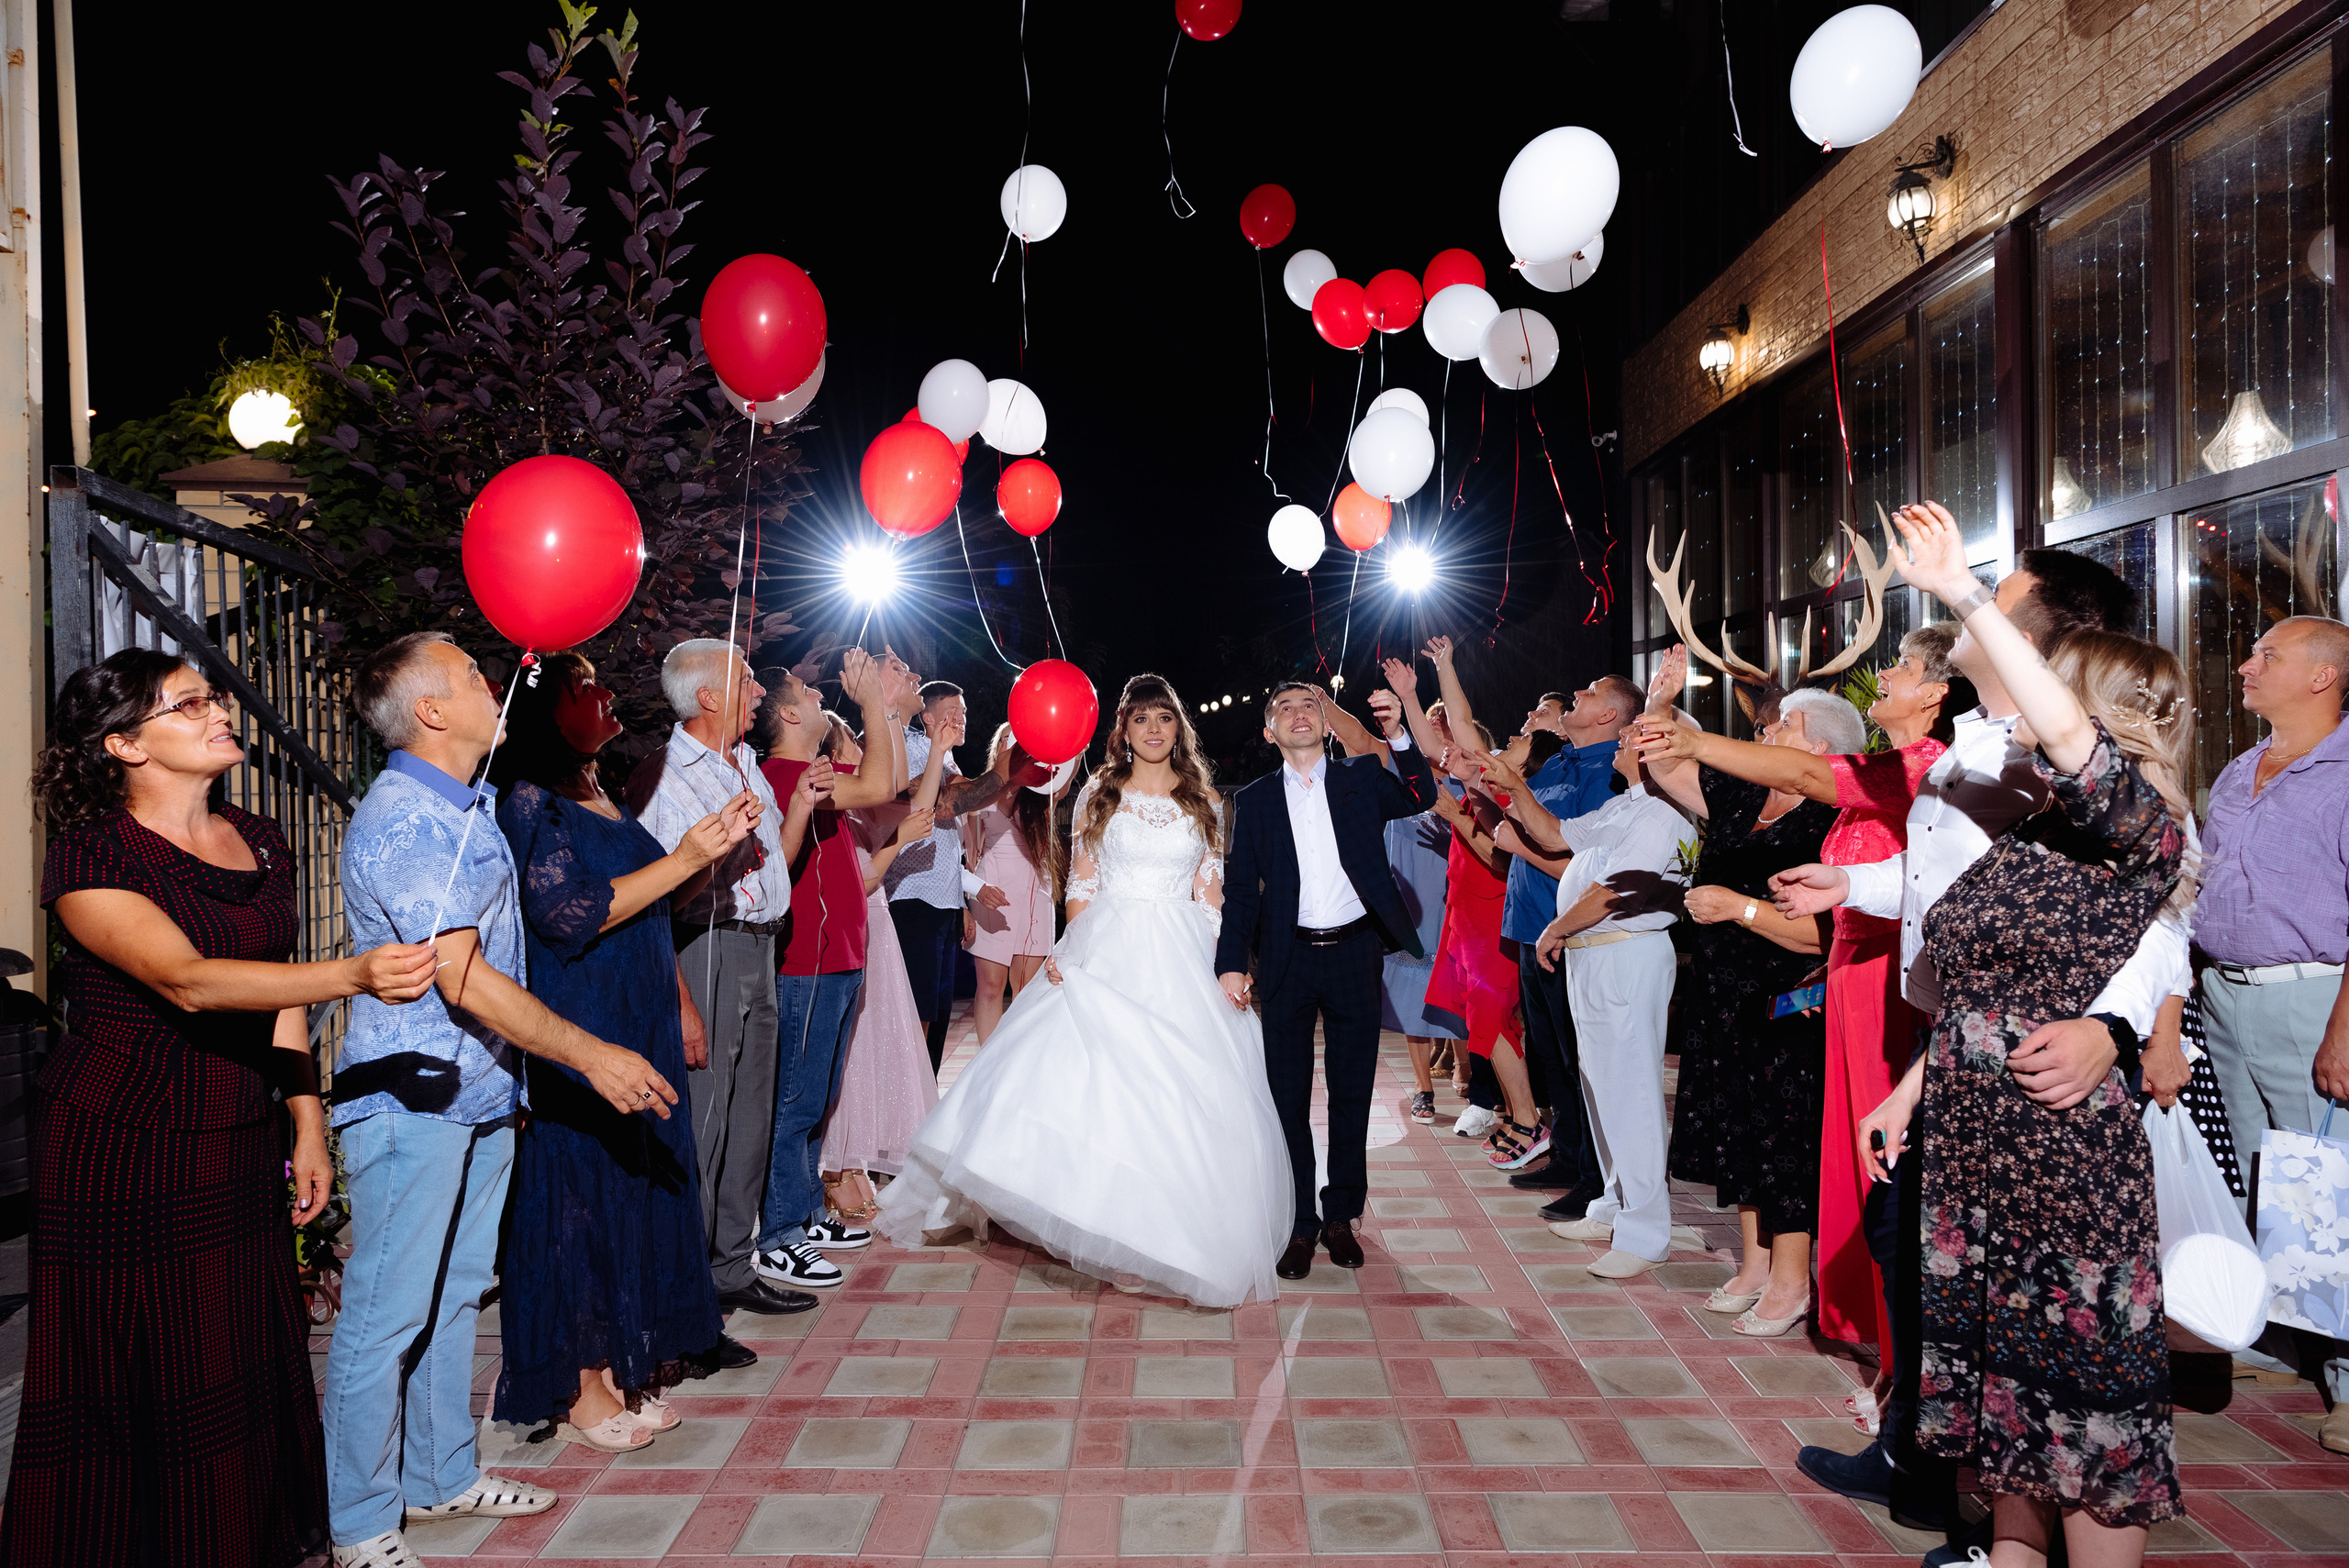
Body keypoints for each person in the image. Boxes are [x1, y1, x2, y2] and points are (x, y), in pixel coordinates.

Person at [1765, 535, 2186, 1543]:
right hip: (1969, 1131)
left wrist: (1959, 588)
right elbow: (1966, 968)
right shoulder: (2023, 828)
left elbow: (2153, 916)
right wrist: (1911, 1089)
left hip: (2059, 1144)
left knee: (2081, 1404)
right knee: (2002, 1389)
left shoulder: (2135, 821)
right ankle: (1992, 1545)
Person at [5, 651, 438, 1568]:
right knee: (132, 1377)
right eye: (187, 702)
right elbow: (193, 982)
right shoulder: (92, 853)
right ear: (123, 744)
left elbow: (275, 987)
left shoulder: (260, 834)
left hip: (234, 1136)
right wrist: (356, 973)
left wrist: (306, 1117)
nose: (217, 710)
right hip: (121, 1144)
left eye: (212, 694)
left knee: (231, 1366)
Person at [329, 632, 682, 1567]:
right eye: (473, 678)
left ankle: (441, 1476)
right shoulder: (407, 820)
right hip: (413, 1096)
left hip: (478, 1093)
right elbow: (464, 978)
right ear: (432, 712)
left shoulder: (465, 802)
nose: (498, 687)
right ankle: (362, 1520)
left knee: (450, 1298)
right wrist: (589, 1054)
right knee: (384, 1313)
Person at [879, 674, 1293, 1306]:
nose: (1154, 729)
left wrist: (1220, 967)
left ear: (1178, 729)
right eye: (1142, 719)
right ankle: (1093, 1215)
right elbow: (1082, 886)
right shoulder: (1101, 791)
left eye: (1165, 718)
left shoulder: (1203, 796)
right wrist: (1072, 946)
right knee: (1095, 1084)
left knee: (1174, 1094)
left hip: (1182, 951)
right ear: (1123, 730)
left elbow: (1211, 894)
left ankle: (1162, 1227)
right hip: (1108, 941)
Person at [1635, 628, 1962, 1407]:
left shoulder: (1929, 768)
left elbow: (1808, 773)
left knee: (1886, 1172)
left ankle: (1897, 1372)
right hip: (1847, 977)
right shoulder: (1893, 769)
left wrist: (1693, 731)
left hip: (1888, 985)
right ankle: (1885, 1357)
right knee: (1857, 1168)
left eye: (1903, 667)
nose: (1883, 674)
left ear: (1938, 694)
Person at [484, 651, 758, 1452]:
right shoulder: (529, 800)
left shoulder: (596, 790)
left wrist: (705, 854)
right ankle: (574, 1383)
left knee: (628, 1190)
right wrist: (681, 858)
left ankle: (612, 1361)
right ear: (546, 712)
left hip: (637, 1009)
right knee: (576, 1194)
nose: (608, 692)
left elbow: (645, 905)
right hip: (584, 1015)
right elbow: (569, 913)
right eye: (586, 684)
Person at [1640, 672, 1852, 1335]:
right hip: (1723, 996)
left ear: (1816, 745)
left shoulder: (1833, 820)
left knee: (1783, 1139)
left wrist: (1740, 906)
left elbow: (1826, 931)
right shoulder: (1740, 797)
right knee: (1738, 1129)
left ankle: (1793, 1282)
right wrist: (1659, 703)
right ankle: (1757, 1263)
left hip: (1789, 1004)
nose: (1766, 735)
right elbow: (1662, 758)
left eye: (1781, 726)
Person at [1216, 679, 1441, 1278]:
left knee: (1350, 1092)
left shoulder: (1360, 778)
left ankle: (1340, 1216)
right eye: (1283, 707)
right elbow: (1240, 891)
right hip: (1286, 959)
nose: (1297, 714)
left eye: (1308, 705)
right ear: (1269, 731)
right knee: (1286, 1096)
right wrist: (1230, 961)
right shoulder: (1257, 800)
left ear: (1326, 720)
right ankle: (1299, 1224)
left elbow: (1422, 792)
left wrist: (1396, 732)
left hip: (1354, 953)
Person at [2189, 612, 2349, 1451]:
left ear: (2322, 676)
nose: (2245, 665)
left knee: (2332, 1189)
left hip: (2313, 999)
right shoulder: (2242, 767)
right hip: (2227, 995)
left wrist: (2344, 1031)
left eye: (2266, 654)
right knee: (2260, 1176)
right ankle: (2281, 1339)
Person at [623, 639, 811, 1318]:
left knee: (750, 1114)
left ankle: (732, 1266)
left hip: (760, 946)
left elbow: (770, 864)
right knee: (704, 1119)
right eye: (746, 680)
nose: (759, 692)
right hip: (704, 946)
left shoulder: (748, 765)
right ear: (707, 697)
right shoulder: (665, 775)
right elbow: (645, 899)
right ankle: (684, 1287)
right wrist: (681, 1003)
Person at [749, 650, 914, 1290]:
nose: (823, 697)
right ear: (789, 713)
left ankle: (806, 1212)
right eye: (810, 693)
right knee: (797, 1097)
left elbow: (889, 779)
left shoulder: (810, 765)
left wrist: (888, 710)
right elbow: (875, 790)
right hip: (809, 961)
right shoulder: (784, 770)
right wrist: (873, 700)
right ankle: (782, 1231)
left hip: (841, 955)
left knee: (817, 1095)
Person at [1520, 720, 1694, 1279]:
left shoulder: (1664, 810)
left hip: (1626, 952)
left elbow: (1618, 889)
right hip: (1597, 956)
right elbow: (1553, 835)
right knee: (1601, 1089)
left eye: (1632, 736)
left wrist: (1555, 929)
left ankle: (1646, 1232)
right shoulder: (1629, 802)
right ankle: (1613, 1206)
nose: (1620, 739)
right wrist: (1506, 783)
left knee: (1632, 1093)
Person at [1383, 651, 1543, 1166]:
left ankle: (1527, 1117)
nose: (1514, 736)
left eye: (1522, 738)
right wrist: (1420, 686)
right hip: (1465, 907)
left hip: (1493, 903)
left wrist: (1452, 810)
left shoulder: (1512, 789)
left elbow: (1497, 854)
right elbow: (1443, 739)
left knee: (1491, 1017)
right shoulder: (1485, 776)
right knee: (1478, 1018)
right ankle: (1520, 1114)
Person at [815, 708, 949, 1219]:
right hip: (859, 922)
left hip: (877, 928)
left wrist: (935, 750)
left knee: (873, 1051)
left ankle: (854, 1164)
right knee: (851, 1054)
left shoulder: (860, 806)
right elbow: (861, 880)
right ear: (834, 754)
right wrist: (898, 844)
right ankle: (834, 1167)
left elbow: (913, 798)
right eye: (854, 742)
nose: (862, 751)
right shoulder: (833, 806)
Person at [1316, 686, 1464, 1123]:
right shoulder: (1403, 773)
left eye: (1441, 727)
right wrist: (1323, 703)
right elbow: (1360, 739)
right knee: (1411, 988)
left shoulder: (1471, 778)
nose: (1432, 732)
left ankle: (1470, 1072)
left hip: (1457, 894)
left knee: (1460, 988)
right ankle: (1423, 1088)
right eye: (1426, 726)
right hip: (1410, 895)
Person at [887, 681, 1047, 1069]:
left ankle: (926, 1104)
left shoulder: (943, 760)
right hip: (913, 898)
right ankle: (909, 1110)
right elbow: (946, 805)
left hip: (941, 902)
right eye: (951, 713)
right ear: (927, 717)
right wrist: (1004, 771)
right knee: (918, 1015)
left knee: (937, 1015)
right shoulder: (910, 749)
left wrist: (960, 905)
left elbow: (968, 796)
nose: (961, 720)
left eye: (964, 713)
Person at [964, 722, 1070, 1044]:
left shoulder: (1040, 793)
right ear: (999, 750)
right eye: (1008, 744)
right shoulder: (978, 791)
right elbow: (968, 853)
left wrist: (1072, 746)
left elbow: (1064, 783)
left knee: (1027, 989)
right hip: (990, 892)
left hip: (1035, 892)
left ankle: (1018, 1066)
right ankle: (988, 1066)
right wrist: (970, 897)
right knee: (991, 987)